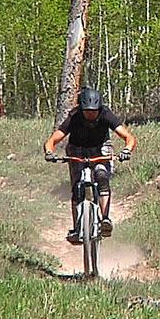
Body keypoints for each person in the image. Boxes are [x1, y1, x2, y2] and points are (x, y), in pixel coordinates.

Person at [44, 88, 137, 244]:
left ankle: (105, 219)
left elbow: (129, 137)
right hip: (76, 149)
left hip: (101, 148)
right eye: (87, 111)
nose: (90, 115)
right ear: (81, 109)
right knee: (76, 187)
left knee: (102, 176)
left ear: (99, 108)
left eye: (93, 111)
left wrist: (127, 150)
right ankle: (76, 228)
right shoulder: (74, 117)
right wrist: (49, 152)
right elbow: (53, 140)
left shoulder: (106, 114)